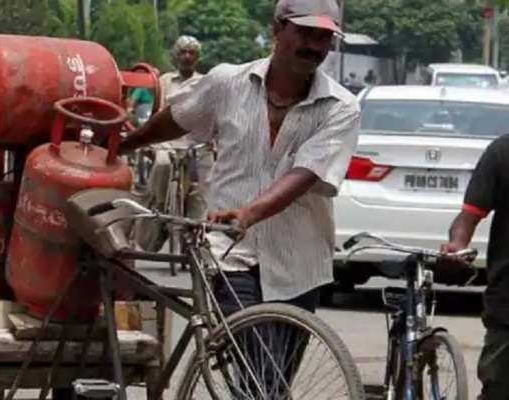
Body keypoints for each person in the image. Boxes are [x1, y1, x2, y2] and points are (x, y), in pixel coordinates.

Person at [121, 0, 360, 392]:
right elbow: (179, 117)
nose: (315, 46)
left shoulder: (341, 107)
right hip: (231, 257)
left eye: (324, 38)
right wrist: (124, 145)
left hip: (298, 264)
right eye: (306, 33)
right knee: (257, 371)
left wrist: (251, 212)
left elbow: (308, 172)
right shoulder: (227, 83)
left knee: (273, 381)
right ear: (278, 28)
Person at [441, 135, 509, 400]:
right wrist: (457, 245)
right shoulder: (503, 152)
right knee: (499, 387)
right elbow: (469, 215)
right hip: (507, 306)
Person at [133, 35, 208, 253]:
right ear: (176, 55)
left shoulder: (205, 83)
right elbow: (155, 114)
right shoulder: (165, 82)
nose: (187, 56)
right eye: (183, 52)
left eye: (191, 52)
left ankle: (195, 238)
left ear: (197, 57)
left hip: (195, 145)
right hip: (165, 143)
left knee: (199, 190)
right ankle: (159, 208)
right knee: (163, 166)